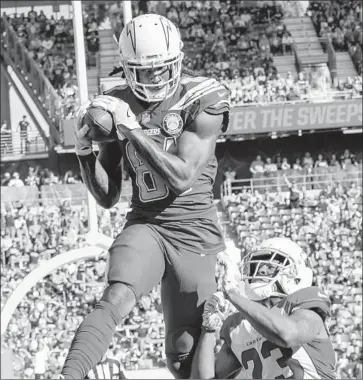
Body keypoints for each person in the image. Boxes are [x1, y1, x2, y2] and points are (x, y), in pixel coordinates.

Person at [61, 14, 230, 379]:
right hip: (148, 224)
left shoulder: (200, 99)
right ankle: (68, 375)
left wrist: (133, 129)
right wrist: (84, 153)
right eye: (144, 70)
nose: (154, 77)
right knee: (116, 296)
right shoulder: (114, 104)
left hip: (194, 229)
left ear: (178, 61)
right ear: (127, 67)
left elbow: (183, 177)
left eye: (162, 68)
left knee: (182, 356)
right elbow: (107, 197)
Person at [192, 237, 336, 379]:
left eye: (270, 264)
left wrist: (231, 293)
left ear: (296, 273)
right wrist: (208, 328)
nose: (261, 269)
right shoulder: (237, 324)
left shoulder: (305, 301)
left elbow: (288, 335)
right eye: (257, 264)